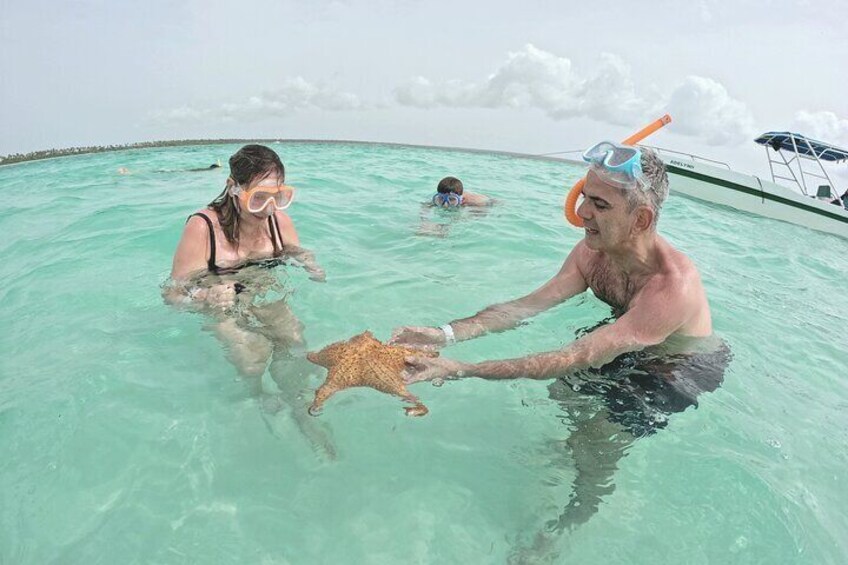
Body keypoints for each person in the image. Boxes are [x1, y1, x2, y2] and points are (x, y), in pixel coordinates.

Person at [392, 142, 729, 550]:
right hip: (628, 334)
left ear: (640, 219)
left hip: (679, 365)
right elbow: (527, 306)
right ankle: (569, 454)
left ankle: (566, 527)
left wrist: (461, 368)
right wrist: (445, 334)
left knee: (596, 441)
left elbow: (575, 356)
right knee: (562, 393)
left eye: (600, 205)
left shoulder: (672, 287)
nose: (583, 212)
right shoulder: (593, 250)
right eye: (585, 196)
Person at [164, 144, 333, 456]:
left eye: (279, 197)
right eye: (258, 198)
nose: (270, 207)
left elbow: (293, 249)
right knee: (251, 354)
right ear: (233, 187)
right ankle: (257, 396)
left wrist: (307, 260)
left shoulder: (278, 222)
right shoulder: (203, 227)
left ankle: (299, 405)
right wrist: (202, 297)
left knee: (294, 342)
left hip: (262, 289)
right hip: (220, 297)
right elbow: (172, 292)